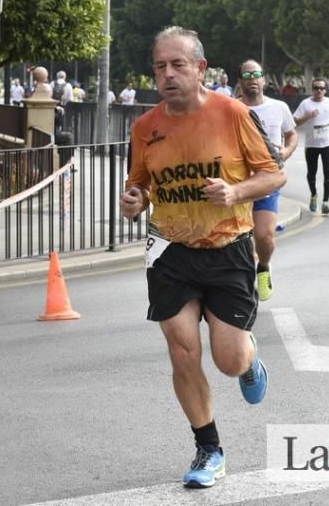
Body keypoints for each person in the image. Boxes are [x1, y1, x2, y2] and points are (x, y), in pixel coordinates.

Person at [120, 26, 285, 490]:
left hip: (227, 246)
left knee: (228, 359)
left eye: (177, 65)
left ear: (199, 68)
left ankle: (249, 361)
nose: (168, 74)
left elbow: (273, 176)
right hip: (170, 249)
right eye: (160, 66)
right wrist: (134, 200)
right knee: (182, 349)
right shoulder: (145, 127)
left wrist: (235, 190)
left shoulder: (232, 114)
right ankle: (209, 447)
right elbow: (140, 184)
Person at [237, 59, 298, 302]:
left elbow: (291, 134)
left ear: (264, 80)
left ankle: (263, 266)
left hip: (268, 181)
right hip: (239, 184)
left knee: (264, 236)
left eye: (257, 74)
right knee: (239, 240)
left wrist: (285, 152)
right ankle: (242, 282)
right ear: (240, 81)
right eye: (247, 75)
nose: (252, 78)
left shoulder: (279, 107)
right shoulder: (232, 108)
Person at [293, 78, 329, 215]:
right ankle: (313, 195)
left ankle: (325, 202)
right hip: (311, 144)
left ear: (325, 90)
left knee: (328, 171)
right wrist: (308, 116)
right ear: (312, 89)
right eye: (316, 88)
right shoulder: (306, 103)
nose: (319, 90)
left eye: (322, 88)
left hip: (327, 143)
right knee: (312, 172)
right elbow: (296, 121)